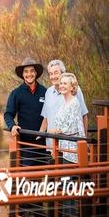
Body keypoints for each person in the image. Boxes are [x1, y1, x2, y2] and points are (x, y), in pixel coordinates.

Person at [52, 73, 86, 216]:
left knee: (68, 187)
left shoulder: (74, 103)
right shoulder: (64, 103)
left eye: (65, 83)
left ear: (73, 87)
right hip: (64, 148)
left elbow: (72, 128)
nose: (62, 85)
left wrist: (57, 130)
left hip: (72, 150)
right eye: (61, 83)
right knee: (66, 187)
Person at [4, 57, 47, 166]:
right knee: (28, 178)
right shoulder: (16, 93)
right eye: (26, 72)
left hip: (45, 144)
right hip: (25, 144)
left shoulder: (45, 92)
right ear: (22, 74)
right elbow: (8, 114)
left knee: (47, 179)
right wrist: (12, 126)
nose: (29, 74)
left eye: (32, 71)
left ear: (36, 73)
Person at [38, 60, 88, 152]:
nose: (53, 76)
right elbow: (46, 117)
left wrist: (84, 140)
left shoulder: (74, 90)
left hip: (69, 146)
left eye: (56, 73)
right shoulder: (48, 92)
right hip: (51, 145)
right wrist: (40, 134)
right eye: (51, 73)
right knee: (52, 166)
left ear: (63, 74)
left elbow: (83, 115)